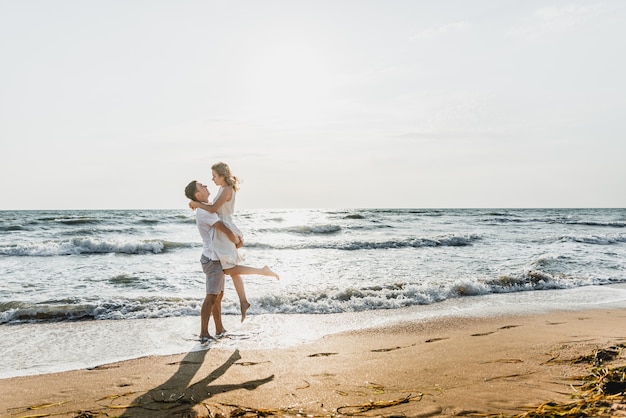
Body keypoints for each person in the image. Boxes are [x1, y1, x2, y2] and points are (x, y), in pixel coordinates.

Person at [189, 162, 279, 322]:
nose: (212, 179)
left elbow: (212, 209)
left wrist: (196, 204)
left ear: (222, 175)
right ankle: (244, 301)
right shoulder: (223, 189)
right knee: (232, 269)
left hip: (224, 229)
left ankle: (262, 271)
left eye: (214, 176)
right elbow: (213, 208)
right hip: (224, 227)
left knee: (229, 269)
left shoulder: (226, 189)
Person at [184, 180, 242, 344]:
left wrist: (194, 203)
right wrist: (236, 241)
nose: (207, 186)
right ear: (197, 194)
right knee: (211, 297)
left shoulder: (205, 207)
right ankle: (204, 333)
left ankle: (219, 329)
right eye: (202, 186)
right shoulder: (205, 212)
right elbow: (222, 228)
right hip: (212, 259)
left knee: (218, 295)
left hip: (215, 258)